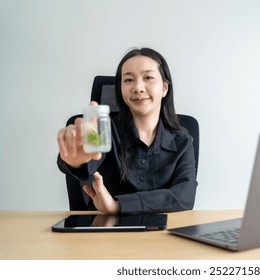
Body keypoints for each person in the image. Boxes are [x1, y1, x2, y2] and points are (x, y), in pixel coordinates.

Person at [57, 48, 198, 214]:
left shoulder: (182, 140)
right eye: (128, 80)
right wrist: (76, 162)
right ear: (120, 89)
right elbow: (88, 158)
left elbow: (183, 197)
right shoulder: (103, 129)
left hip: (163, 234)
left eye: (148, 77)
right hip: (103, 233)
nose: (138, 87)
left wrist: (117, 206)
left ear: (165, 88)